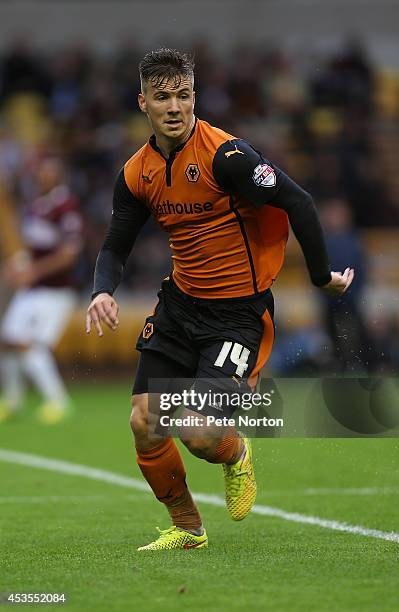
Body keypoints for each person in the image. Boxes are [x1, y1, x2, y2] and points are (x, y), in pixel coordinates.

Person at [86, 48, 354, 550]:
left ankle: (236, 455)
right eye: (162, 97)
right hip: (180, 305)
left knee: (197, 432)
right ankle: (187, 528)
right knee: (145, 421)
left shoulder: (226, 156)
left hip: (236, 317)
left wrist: (320, 279)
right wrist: (101, 290)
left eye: (183, 96)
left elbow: (298, 201)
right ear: (142, 102)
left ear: (195, 97)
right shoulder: (136, 172)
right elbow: (115, 244)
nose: (175, 107)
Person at [0, 157, 83, 425]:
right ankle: (12, 401)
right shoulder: (37, 206)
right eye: (40, 172)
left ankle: (58, 402)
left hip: (56, 291)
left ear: (59, 176)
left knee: (30, 344)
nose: (42, 176)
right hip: (34, 289)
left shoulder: (66, 206)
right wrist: (17, 267)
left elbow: (69, 254)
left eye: (49, 172)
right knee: (8, 339)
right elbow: (33, 249)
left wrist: (34, 271)